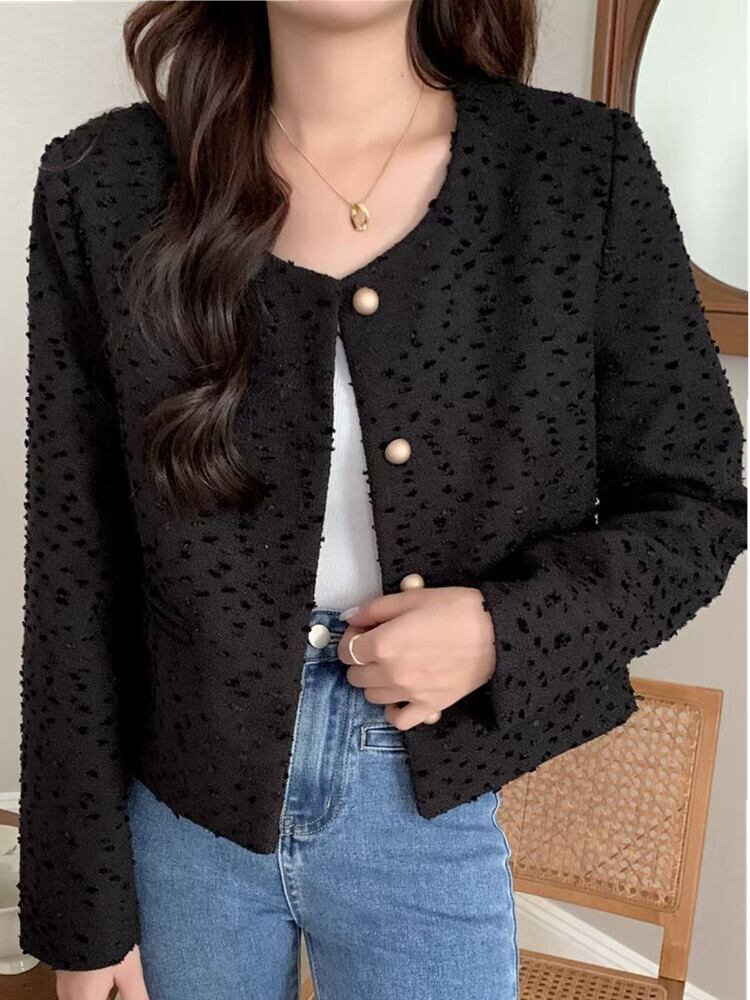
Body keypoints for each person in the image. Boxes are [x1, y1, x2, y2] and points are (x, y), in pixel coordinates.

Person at [18, 2, 746, 999]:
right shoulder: (103, 182)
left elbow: (698, 502)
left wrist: (502, 631)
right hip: (179, 812)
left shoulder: (578, 169)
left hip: (425, 806)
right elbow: (73, 568)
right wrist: (83, 915)